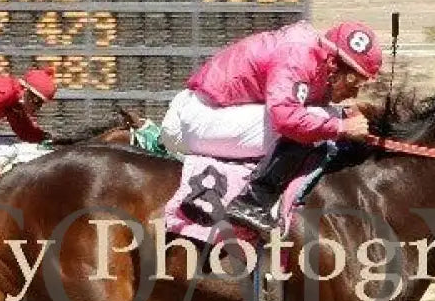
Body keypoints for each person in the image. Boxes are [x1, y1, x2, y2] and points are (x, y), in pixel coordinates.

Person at [161, 20, 382, 235]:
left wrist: (344, 119)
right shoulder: (298, 55)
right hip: (195, 119)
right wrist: (342, 127)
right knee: (317, 119)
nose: (354, 93)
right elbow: (286, 118)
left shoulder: (318, 59)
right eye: (353, 83)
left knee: (328, 116)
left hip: (211, 115)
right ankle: (253, 201)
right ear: (334, 65)